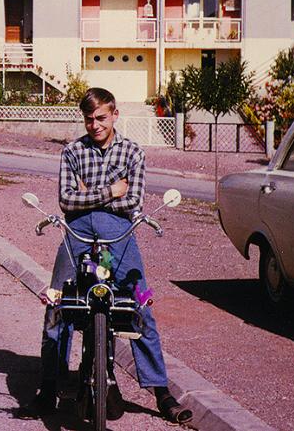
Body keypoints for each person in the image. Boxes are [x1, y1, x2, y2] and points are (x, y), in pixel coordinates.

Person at [19, 87, 191, 426]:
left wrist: (89, 194)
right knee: (58, 303)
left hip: (121, 234)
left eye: (101, 117)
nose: (95, 125)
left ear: (114, 115)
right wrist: (111, 190)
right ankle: (49, 384)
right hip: (77, 234)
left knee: (141, 305)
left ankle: (161, 392)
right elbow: (66, 201)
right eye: (89, 119)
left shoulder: (133, 152)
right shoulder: (72, 151)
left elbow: (133, 203)